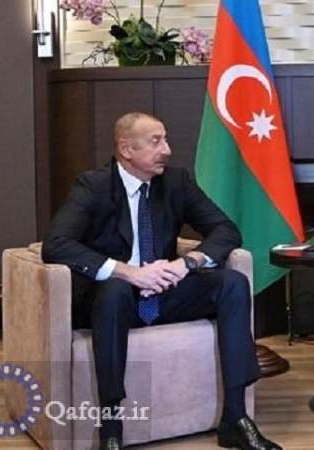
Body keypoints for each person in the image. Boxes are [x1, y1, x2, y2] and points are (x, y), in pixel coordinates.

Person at [42, 112, 281, 450]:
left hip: (164, 293)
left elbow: (225, 230)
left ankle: (236, 418)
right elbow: (56, 244)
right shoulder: (93, 186)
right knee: (114, 291)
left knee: (232, 283)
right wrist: (129, 272)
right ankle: (111, 429)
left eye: (165, 139)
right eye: (156, 142)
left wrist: (186, 264)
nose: (167, 150)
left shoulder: (175, 182)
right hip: (111, 302)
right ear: (126, 148)